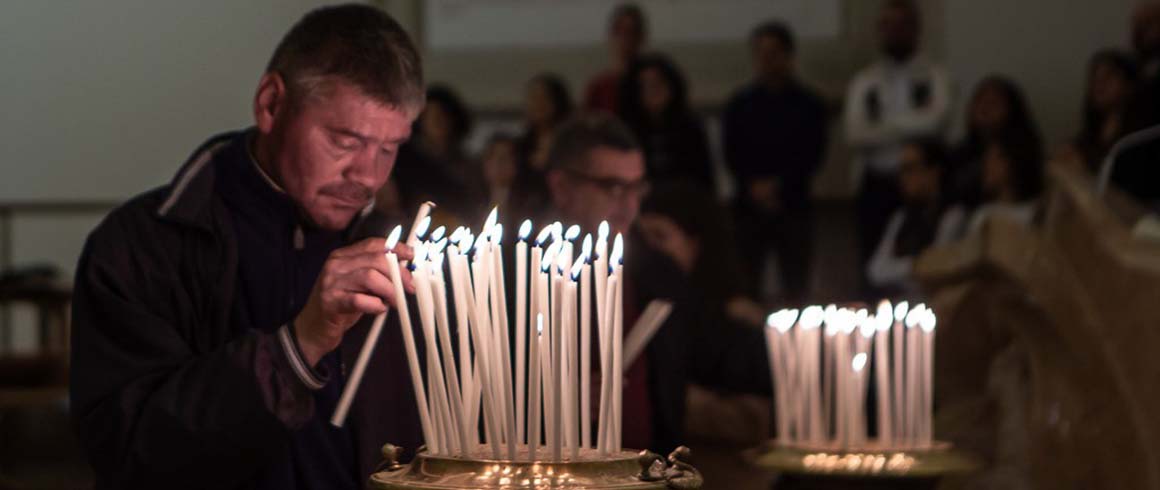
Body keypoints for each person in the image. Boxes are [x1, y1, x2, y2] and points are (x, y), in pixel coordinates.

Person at [70, 5, 425, 488]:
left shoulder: (400, 251)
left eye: (389, 148)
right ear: (272, 104)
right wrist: (299, 346)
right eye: (345, 140)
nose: (367, 175)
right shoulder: (142, 244)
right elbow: (128, 448)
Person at [542, 112, 692, 454]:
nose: (629, 204)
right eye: (612, 187)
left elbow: (710, 348)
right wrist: (549, 396)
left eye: (636, 187)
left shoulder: (656, 269)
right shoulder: (518, 271)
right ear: (561, 186)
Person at [844, 0, 952, 285]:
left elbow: (935, 122)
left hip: (921, 183)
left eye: (902, 25)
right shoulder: (865, 81)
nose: (894, 32)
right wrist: (910, 123)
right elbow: (855, 133)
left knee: (921, 257)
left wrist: (884, 125)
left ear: (916, 29)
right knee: (873, 268)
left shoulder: (933, 76)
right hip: (877, 183)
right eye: (887, 26)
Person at [722, 21, 828, 302]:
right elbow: (731, 153)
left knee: (796, 287)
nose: (767, 60)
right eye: (761, 53)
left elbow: (812, 154)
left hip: (793, 205)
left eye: (774, 53)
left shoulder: (809, 105)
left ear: (789, 56)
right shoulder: (739, 105)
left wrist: (779, 186)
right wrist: (753, 185)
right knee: (745, 285)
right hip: (748, 207)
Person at [637, 181, 769, 394]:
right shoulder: (645, 301)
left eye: (660, 236)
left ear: (695, 243)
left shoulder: (735, 316)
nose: (650, 247)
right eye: (642, 237)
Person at [867, 139, 965, 297]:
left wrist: (906, 268)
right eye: (901, 171)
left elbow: (937, 268)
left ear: (934, 172)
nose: (903, 178)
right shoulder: (900, 218)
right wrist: (915, 266)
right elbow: (876, 270)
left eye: (910, 169)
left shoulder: (954, 216)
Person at [392, 84, 484, 224]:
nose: (437, 122)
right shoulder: (403, 161)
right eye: (430, 116)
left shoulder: (467, 165)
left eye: (442, 115)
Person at [618, 53, 715, 187]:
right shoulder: (625, 131)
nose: (653, 90)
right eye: (645, 85)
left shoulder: (690, 127)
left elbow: (705, 177)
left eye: (658, 83)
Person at [949, 76, 1043, 208]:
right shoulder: (958, 154)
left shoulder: (1024, 149)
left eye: (993, 102)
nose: (984, 108)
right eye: (979, 101)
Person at [1061, 50, 1142, 174]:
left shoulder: (1139, 136)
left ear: (1129, 84)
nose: (1099, 84)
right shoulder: (1092, 131)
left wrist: (1086, 166)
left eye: (1109, 76)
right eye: (1095, 77)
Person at [509, 73, 574, 218]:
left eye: (543, 98)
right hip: (526, 215)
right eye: (532, 98)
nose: (537, 104)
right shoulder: (521, 146)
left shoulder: (572, 144)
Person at [965, 132, 1044, 233]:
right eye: (988, 158)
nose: (987, 165)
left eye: (996, 158)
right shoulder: (985, 214)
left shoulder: (1038, 211)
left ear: (1014, 162)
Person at [584, 3, 647, 114]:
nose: (623, 39)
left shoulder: (651, 84)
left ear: (640, 37)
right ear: (610, 36)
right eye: (618, 31)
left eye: (630, 32)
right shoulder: (599, 87)